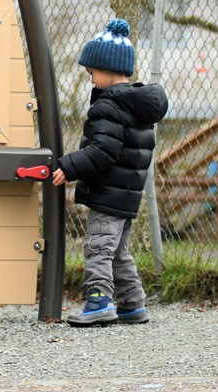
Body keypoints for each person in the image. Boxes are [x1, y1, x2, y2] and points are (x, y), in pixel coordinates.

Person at [52, 18, 169, 326]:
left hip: (108, 193)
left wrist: (68, 165)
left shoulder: (108, 107)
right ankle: (132, 304)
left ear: (108, 68)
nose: (90, 78)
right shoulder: (137, 107)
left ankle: (99, 301)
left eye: (92, 72)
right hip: (126, 194)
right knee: (117, 251)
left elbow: (103, 151)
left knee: (98, 247)